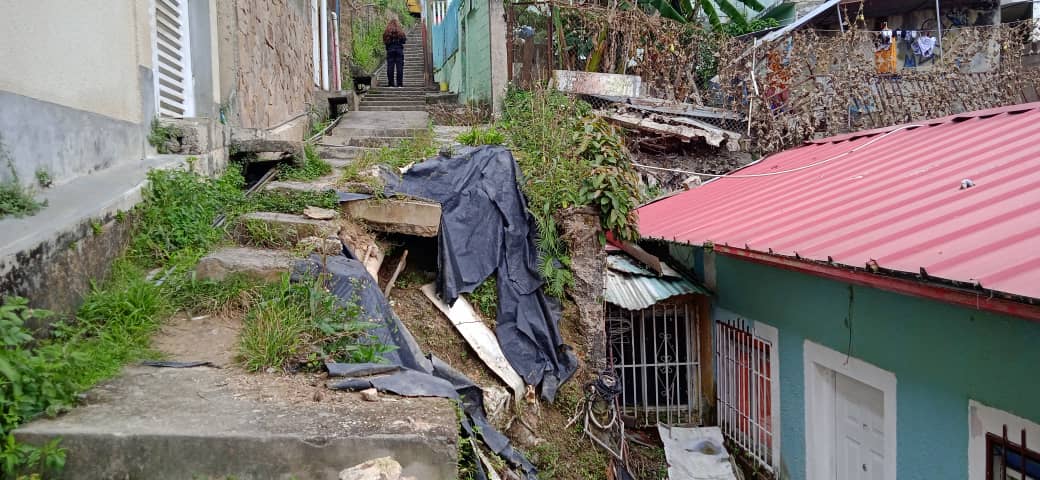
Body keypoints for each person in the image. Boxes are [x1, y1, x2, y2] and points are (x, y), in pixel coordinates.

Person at [383, 19, 407, 88]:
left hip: (390, 50)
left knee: (390, 67)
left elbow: (385, 41)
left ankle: (391, 84)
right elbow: (404, 40)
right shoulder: (400, 31)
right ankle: (399, 84)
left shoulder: (387, 32)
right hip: (399, 50)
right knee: (400, 67)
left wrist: (389, 46)